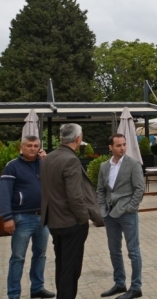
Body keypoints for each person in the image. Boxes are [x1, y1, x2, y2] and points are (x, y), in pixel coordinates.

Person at [40, 124, 103, 299]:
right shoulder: (70, 159)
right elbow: (75, 196)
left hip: (53, 221)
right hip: (70, 222)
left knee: (62, 265)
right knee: (71, 269)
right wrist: (83, 219)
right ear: (78, 139)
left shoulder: (49, 158)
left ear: (61, 138)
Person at [0, 136, 54, 299]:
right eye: (29, 145)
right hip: (22, 218)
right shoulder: (12, 167)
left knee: (41, 255)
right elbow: (4, 193)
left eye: (36, 146)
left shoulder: (43, 164)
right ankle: (14, 293)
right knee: (18, 257)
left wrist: (46, 162)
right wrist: (7, 217)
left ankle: (37, 287)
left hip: (43, 218)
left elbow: (54, 184)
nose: (33, 148)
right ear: (21, 148)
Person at [97, 134, 145, 299]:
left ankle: (136, 287)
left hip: (127, 214)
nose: (122, 148)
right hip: (109, 214)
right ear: (110, 147)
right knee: (114, 250)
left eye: (124, 144)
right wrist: (102, 208)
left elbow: (140, 189)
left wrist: (131, 208)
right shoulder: (104, 166)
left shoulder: (133, 164)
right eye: (118, 145)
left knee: (133, 251)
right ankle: (119, 283)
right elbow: (100, 189)